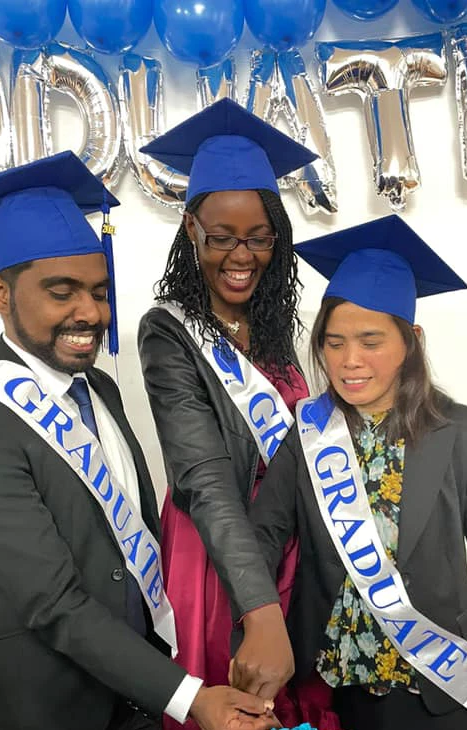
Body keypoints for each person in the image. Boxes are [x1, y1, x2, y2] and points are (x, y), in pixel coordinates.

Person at [0, 151, 279, 730]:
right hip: (37, 703)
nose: (89, 312)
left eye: (99, 290)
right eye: (62, 293)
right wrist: (190, 697)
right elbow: (52, 601)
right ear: (0, 293)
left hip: (130, 696)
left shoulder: (102, 391)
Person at [231, 214, 467, 730]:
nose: (349, 361)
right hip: (333, 690)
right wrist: (253, 630)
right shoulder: (309, 432)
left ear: (410, 340)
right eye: (333, 342)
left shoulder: (462, 433)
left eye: (371, 341)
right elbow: (260, 538)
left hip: (436, 688)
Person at [137, 99, 333, 729]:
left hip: (288, 549)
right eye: (222, 237)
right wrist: (259, 609)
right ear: (191, 231)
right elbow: (203, 476)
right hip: (218, 559)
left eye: (258, 238)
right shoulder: (169, 333)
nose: (240, 255)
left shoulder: (273, 331)